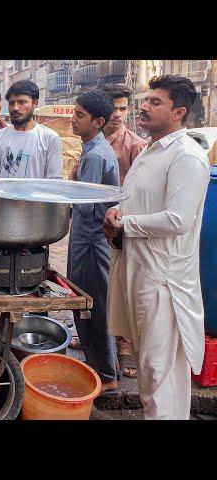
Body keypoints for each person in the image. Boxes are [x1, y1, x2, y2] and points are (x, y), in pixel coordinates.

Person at [104, 75, 210, 419]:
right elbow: (136, 205)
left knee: (159, 375)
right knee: (151, 374)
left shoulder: (187, 157)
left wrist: (127, 224)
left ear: (179, 111)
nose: (144, 106)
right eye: (145, 100)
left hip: (164, 283)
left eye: (155, 102)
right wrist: (116, 217)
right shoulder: (150, 151)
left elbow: (178, 219)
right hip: (138, 271)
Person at [68, 90, 120, 397]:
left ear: (98, 121)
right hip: (87, 236)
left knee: (93, 305)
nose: (73, 120)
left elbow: (85, 206)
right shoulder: (92, 149)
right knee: (87, 302)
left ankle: (107, 375)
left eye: (79, 115)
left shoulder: (97, 154)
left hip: (91, 239)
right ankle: (96, 360)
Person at [99, 84, 148, 379]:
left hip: (122, 222)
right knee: (101, 283)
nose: (117, 115)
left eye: (122, 108)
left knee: (122, 282)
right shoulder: (94, 139)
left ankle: (124, 346)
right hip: (96, 219)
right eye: (112, 108)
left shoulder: (135, 145)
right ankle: (103, 336)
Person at [0, 80, 62, 179]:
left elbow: (55, 181)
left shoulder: (50, 138)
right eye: (12, 103)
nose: (15, 108)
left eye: (21, 102)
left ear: (35, 104)